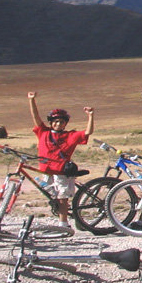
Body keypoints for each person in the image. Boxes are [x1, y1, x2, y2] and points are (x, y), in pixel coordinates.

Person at [28, 92, 93, 228]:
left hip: (61, 171)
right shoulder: (43, 132)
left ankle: (63, 224)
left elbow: (87, 132)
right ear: (51, 123)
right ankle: (68, 217)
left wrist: (91, 116)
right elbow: (36, 117)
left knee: (62, 197)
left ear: (65, 124)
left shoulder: (70, 136)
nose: (58, 124)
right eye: (56, 121)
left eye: (61, 122)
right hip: (47, 171)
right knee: (52, 196)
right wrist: (31, 100)